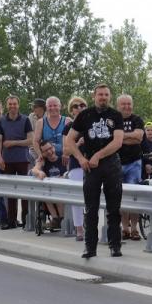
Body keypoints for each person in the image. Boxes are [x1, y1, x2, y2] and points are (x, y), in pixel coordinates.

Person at [65, 83, 125, 259]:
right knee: (91, 209)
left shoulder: (116, 115)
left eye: (106, 94)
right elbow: (69, 140)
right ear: (94, 96)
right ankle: (90, 247)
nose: (103, 97)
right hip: (90, 166)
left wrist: (99, 155)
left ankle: (115, 246)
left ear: (109, 96)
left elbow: (118, 142)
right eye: (100, 94)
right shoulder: (84, 115)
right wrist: (80, 158)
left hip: (111, 164)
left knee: (114, 208)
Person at [0, 95, 34, 230]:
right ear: (7, 106)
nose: (12, 106)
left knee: (24, 191)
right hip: (7, 160)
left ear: (18, 105)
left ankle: (26, 220)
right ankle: (11, 221)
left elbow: (30, 140)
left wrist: (13, 143)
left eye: (14, 104)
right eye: (10, 104)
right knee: (10, 192)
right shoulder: (1, 120)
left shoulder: (25, 120)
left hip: (22, 159)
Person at [32, 96, 69, 230]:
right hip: (47, 157)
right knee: (45, 187)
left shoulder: (67, 121)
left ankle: (63, 217)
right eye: (50, 106)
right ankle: (55, 218)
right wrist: (40, 155)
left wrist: (66, 153)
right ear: (46, 108)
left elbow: (72, 138)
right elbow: (36, 141)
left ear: (60, 106)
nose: (53, 108)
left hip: (64, 158)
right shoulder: (41, 122)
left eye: (55, 105)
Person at [114, 94, 145, 240]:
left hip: (134, 163)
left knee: (134, 196)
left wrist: (119, 137)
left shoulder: (137, 119)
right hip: (117, 163)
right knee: (121, 196)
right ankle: (125, 228)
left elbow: (138, 138)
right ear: (117, 106)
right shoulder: (113, 120)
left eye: (129, 104)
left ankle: (134, 229)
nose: (127, 106)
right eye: (123, 104)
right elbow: (110, 139)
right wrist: (128, 137)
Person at [64, 96, 88, 242]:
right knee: (77, 197)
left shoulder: (93, 124)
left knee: (94, 198)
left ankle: (92, 227)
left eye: (82, 105)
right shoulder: (69, 127)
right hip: (76, 165)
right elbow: (66, 151)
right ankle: (79, 228)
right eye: (75, 106)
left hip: (93, 164)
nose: (79, 108)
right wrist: (78, 143)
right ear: (71, 111)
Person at [31, 141, 66, 225]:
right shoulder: (43, 161)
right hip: (50, 190)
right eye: (46, 151)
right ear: (42, 153)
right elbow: (34, 170)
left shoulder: (63, 158)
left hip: (63, 188)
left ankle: (61, 218)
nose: (49, 152)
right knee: (46, 195)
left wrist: (63, 177)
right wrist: (39, 172)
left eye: (50, 148)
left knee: (57, 195)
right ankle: (55, 219)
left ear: (53, 147)